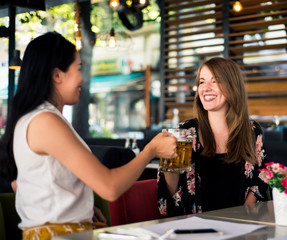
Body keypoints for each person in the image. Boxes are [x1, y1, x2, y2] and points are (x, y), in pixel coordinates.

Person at [0, 32, 177, 240]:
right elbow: (110, 188)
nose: (83, 78)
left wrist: (82, 209)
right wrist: (151, 151)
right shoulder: (45, 121)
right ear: (57, 75)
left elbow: (32, 184)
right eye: (79, 69)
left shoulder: (42, 118)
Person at [157, 57, 269, 217]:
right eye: (202, 82)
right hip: (194, 229)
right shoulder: (183, 132)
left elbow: (261, 180)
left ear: (233, 86)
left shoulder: (251, 131)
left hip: (240, 228)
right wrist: (171, 166)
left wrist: (243, 219)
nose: (205, 88)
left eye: (215, 81)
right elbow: (169, 197)